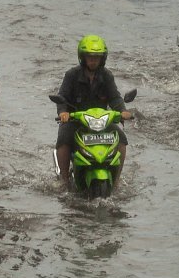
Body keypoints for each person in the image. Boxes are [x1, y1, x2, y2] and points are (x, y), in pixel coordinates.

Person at [54, 35, 131, 188]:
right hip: (75, 120)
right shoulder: (72, 75)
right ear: (82, 57)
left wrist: (122, 110)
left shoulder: (106, 75)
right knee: (63, 138)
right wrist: (63, 113)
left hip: (101, 121)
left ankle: (116, 180)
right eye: (90, 57)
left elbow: (115, 97)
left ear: (103, 58)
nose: (93, 60)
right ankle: (64, 179)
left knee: (121, 138)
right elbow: (62, 97)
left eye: (97, 57)